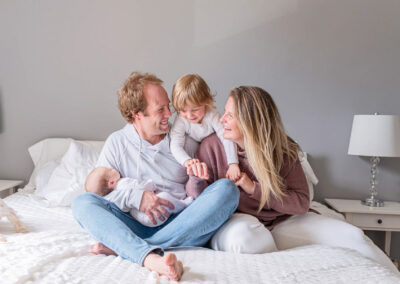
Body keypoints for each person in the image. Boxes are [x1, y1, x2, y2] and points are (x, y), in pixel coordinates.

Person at [185, 86, 399, 273]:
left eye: (229, 115)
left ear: (250, 120)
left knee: (354, 236)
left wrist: (254, 190)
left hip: (283, 220)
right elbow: (200, 203)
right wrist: (195, 177)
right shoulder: (211, 147)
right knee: (248, 241)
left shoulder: (283, 150)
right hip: (238, 221)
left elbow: (301, 202)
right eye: (224, 113)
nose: (221, 120)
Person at [71, 72, 240, 281]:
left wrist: (200, 174)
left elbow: (201, 190)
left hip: (181, 220)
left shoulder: (185, 136)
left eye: (169, 106)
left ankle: (129, 247)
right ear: (137, 115)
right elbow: (103, 195)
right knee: (82, 202)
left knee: (227, 190)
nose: (170, 114)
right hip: (134, 223)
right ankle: (149, 257)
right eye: (160, 109)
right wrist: (136, 198)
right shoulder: (117, 143)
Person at [170, 74, 240, 180]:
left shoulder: (212, 115)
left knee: (221, 139)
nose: (189, 116)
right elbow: (175, 145)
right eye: (183, 110)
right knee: (186, 142)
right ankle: (194, 176)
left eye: (195, 110)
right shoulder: (181, 119)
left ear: (206, 102)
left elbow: (226, 138)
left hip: (212, 150)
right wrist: (187, 161)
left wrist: (233, 163)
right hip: (195, 154)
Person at [85, 166, 192, 227]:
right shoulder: (123, 183)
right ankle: (183, 205)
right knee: (164, 197)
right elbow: (141, 187)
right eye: (109, 170)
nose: (111, 167)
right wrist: (151, 185)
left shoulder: (114, 197)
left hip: (143, 220)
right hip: (151, 215)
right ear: (111, 182)